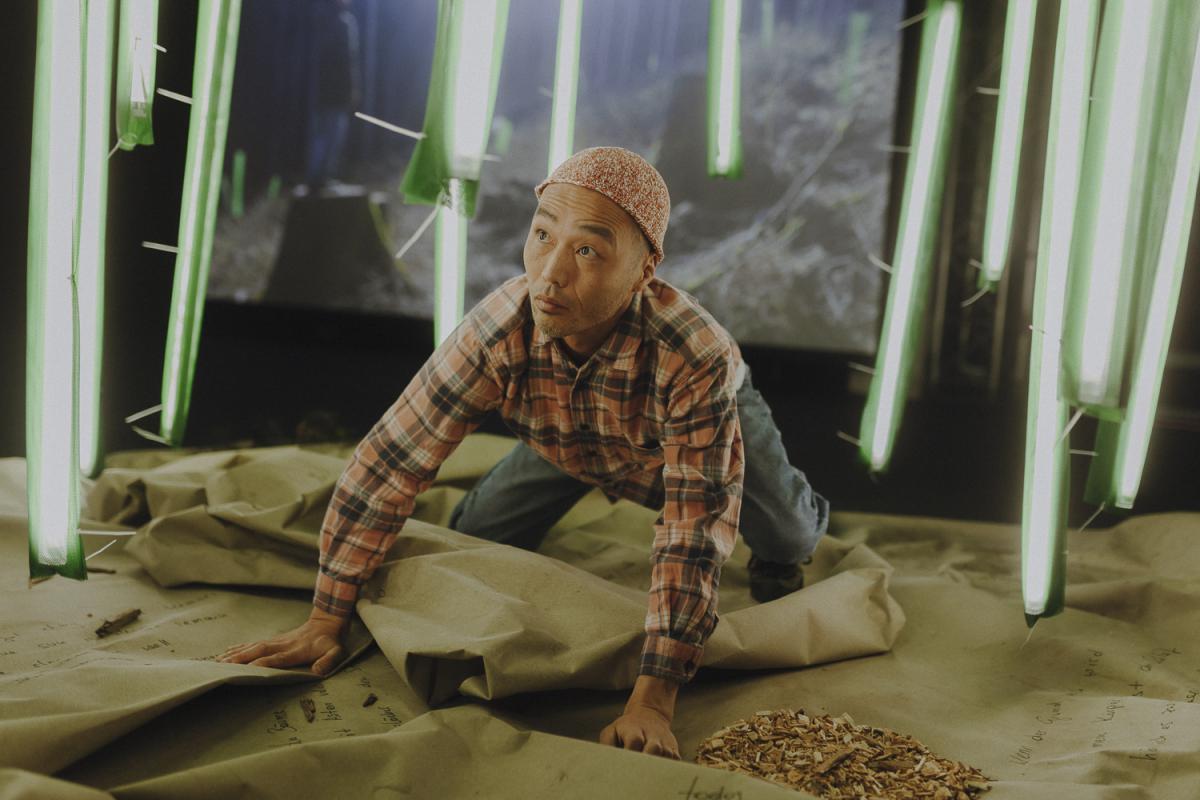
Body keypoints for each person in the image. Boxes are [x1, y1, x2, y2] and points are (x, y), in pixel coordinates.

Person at [219, 147, 829, 760]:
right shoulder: (500, 327)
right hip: (563, 441)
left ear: (645, 272)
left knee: (788, 532)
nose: (551, 273)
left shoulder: (694, 356)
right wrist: (326, 618)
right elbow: (392, 459)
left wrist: (651, 700)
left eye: (588, 249)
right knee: (474, 539)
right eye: (542, 236)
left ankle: (787, 543)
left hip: (671, 438)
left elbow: (692, 532)